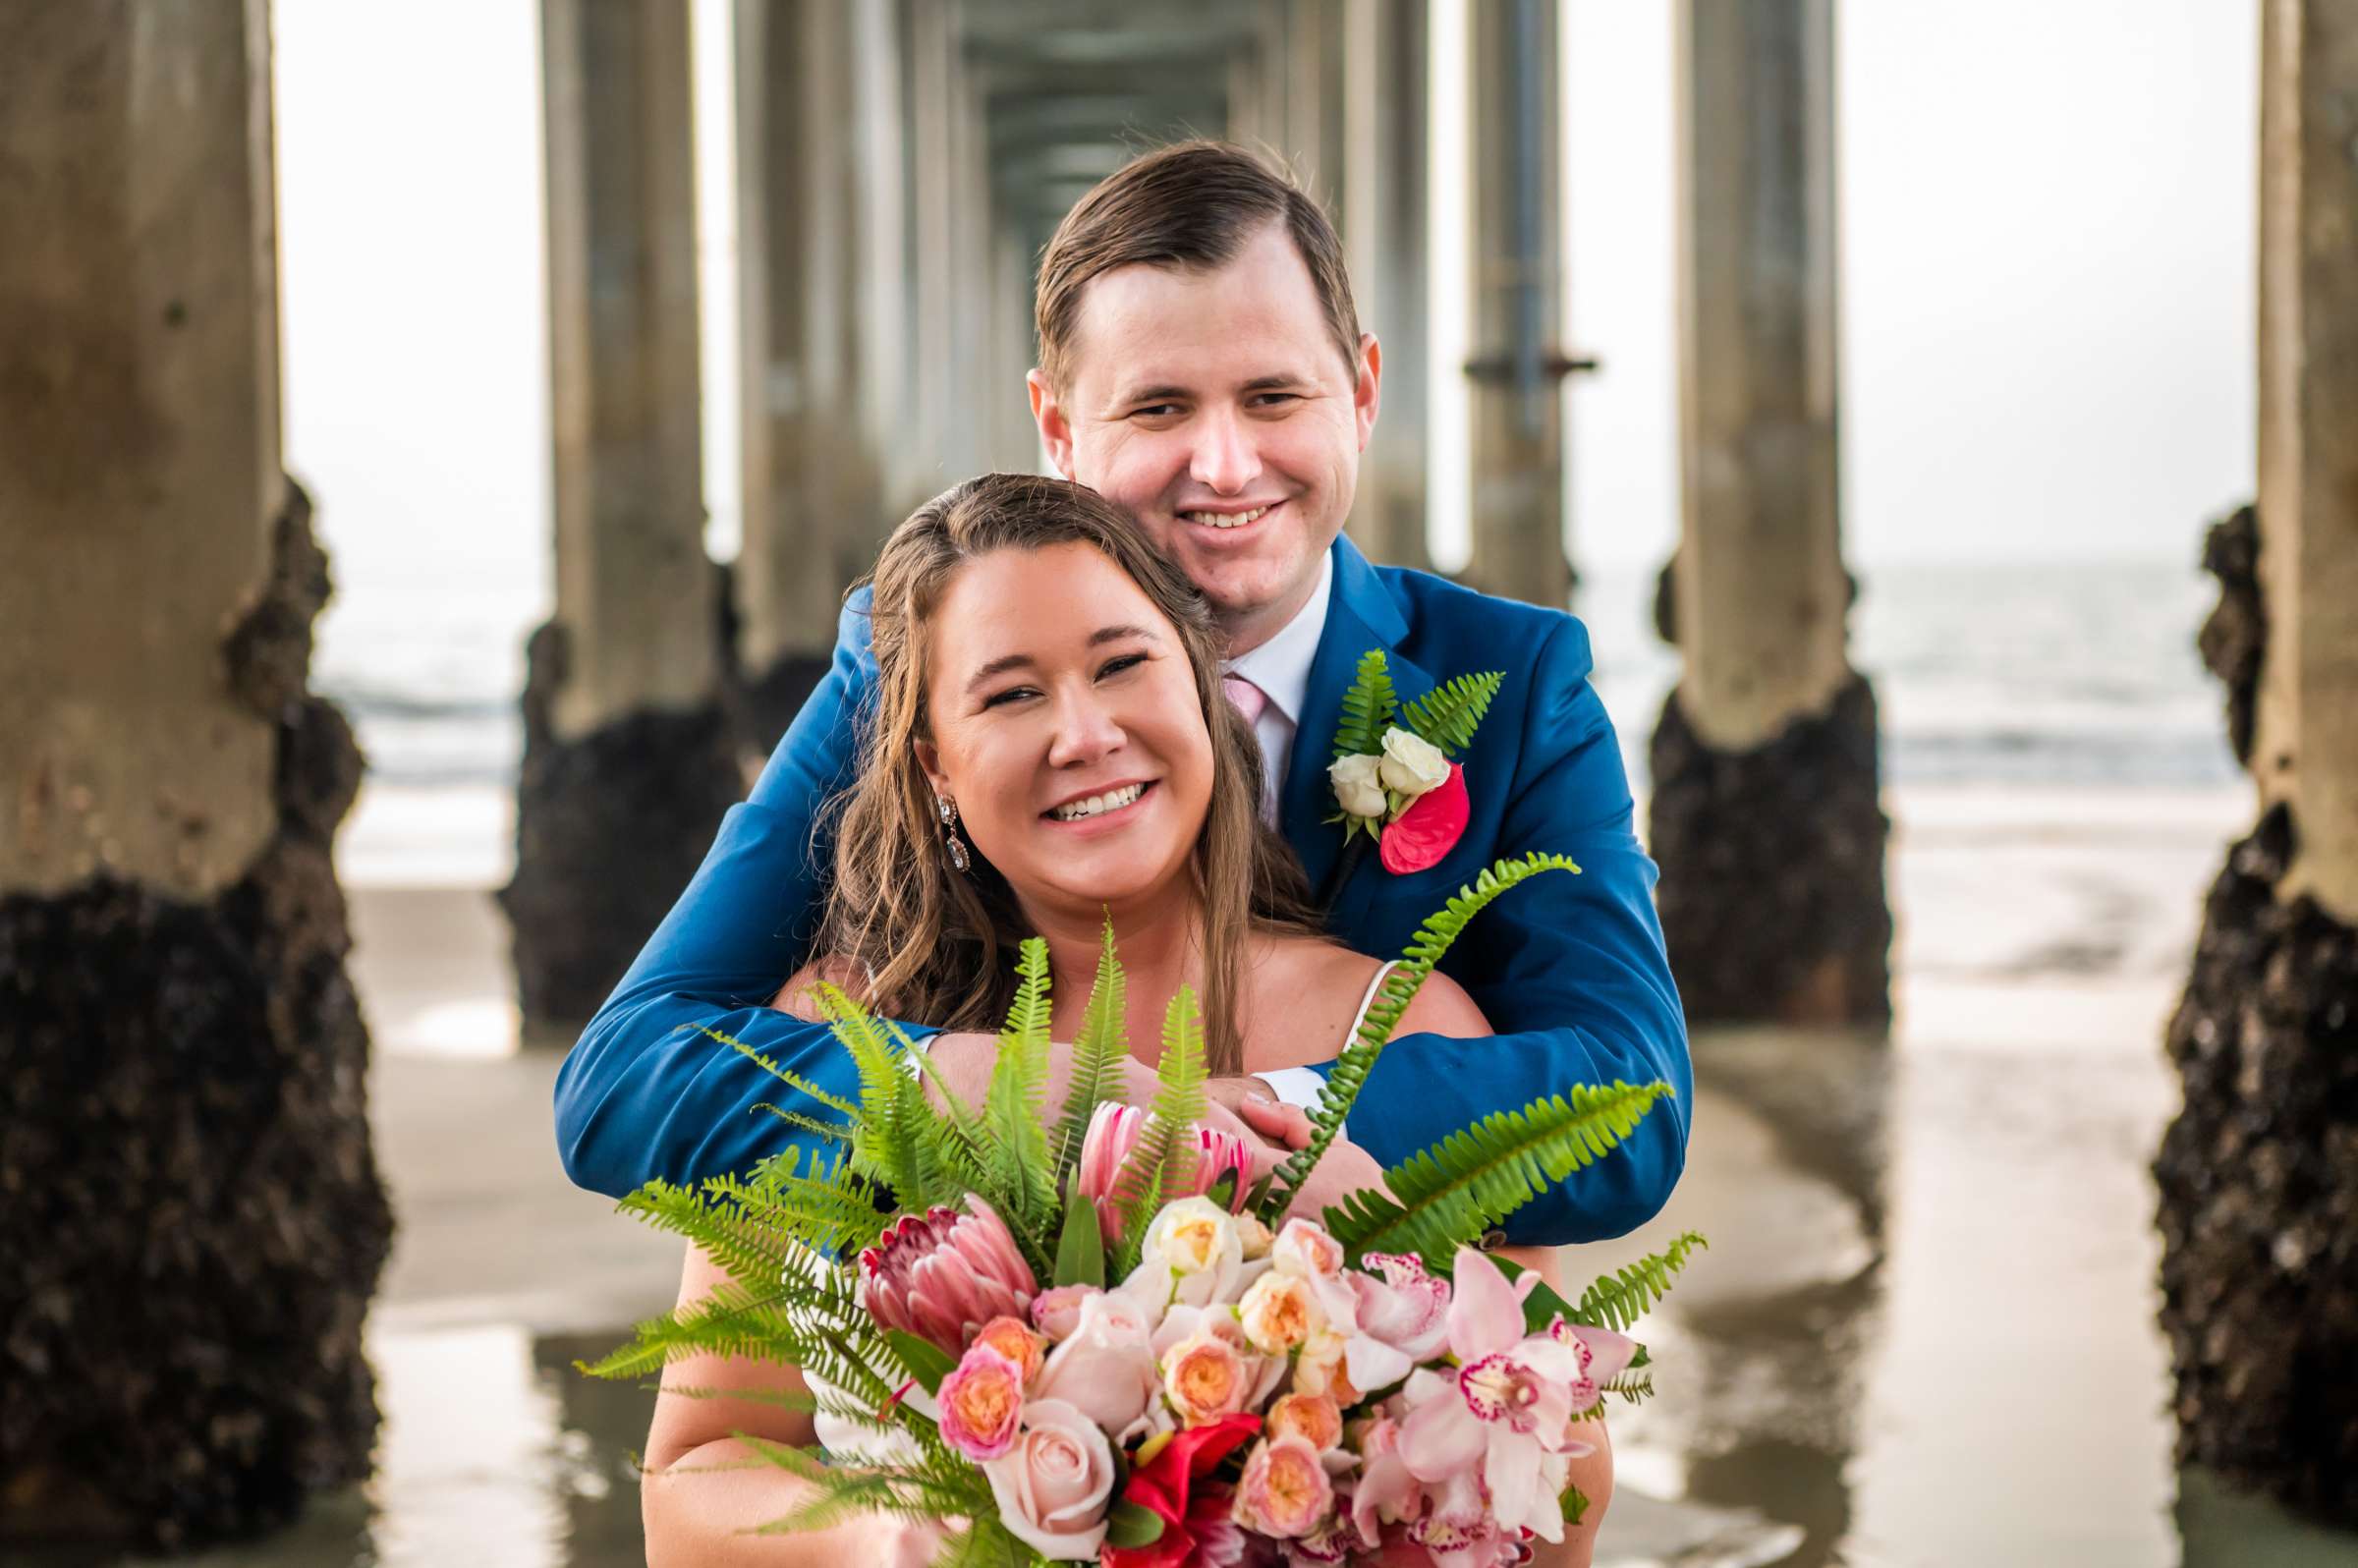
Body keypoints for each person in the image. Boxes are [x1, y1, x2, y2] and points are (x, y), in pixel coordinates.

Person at [554, 138, 1690, 1245]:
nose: (1228, 465)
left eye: (1273, 396)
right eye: (1158, 410)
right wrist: (965, 1085)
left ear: (1361, 391)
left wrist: (1206, 1129)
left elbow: (1631, 1103)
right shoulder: (922, 656)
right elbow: (628, 1075)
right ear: (1058, 428)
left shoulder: (1513, 678)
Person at [640, 475, 1613, 1566]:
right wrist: (894, 1541)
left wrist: (1372, 1226)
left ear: (1202, 687)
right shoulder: (837, 1029)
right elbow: (692, 1472)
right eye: (1010, 696)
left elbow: (1563, 1479)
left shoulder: (1404, 1025)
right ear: (936, 770)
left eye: (1122, 664)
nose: (1085, 733)